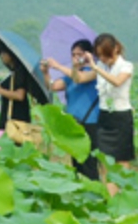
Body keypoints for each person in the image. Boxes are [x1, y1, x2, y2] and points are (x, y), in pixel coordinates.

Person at [42, 40, 99, 180]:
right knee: (76, 163)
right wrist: (46, 73)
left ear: (88, 55)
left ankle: (93, 196)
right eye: (73, 54)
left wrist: (58, 66)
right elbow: (53, 86)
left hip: (90, 123)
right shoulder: (70, 75)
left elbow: (79, 79)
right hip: (73, 122)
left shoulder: (94, 71)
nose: (75, 57)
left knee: (89, 163)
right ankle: (80, 194)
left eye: (79, 54)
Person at [90, 33, 135, 164]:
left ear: (116, 49)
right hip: (104, 115)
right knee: (103, 160)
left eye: (106, 54)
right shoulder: (101, 66)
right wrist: (74, 67)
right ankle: (106, 185)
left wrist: (97, 68)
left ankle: (122, 185)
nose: (103, 58)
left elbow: (117, 81)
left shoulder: (126, 66)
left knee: (122, 160)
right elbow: (81, 78)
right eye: (99, 55)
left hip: (121, 117)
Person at [0, 49, 31, 132]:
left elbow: (20, 95)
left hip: (17, 119)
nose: (1, 55)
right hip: (7, 116)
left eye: (4, 52)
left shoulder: (20, 71)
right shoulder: (13, 72)